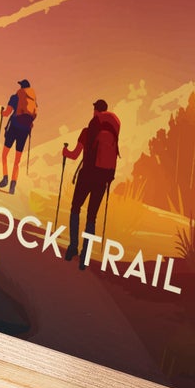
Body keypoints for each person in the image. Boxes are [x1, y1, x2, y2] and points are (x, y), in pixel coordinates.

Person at [61, 99, 121, 268]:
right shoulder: (112, 136)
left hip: (86, 175)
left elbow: (73, 155)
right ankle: (85, 257)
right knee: (91, 218)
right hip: (102, 179)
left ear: (95, 112)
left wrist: (65, 152)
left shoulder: (87, 132)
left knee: (75, 208)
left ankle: (73, 247)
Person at [0, 79, 38, 193]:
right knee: (17, 160)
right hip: (24, 131)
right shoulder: (33, 101)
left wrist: (2, 113)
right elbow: (33, 117)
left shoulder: (16, 97)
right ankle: (13, 184)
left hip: (14, 127)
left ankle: (5, 177)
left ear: (21, 87)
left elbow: (7, 113)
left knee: (5, 154)